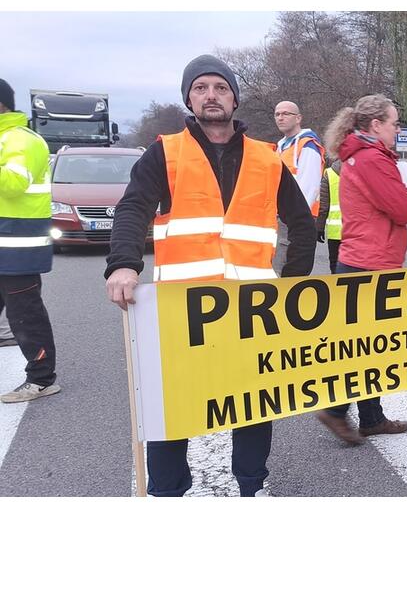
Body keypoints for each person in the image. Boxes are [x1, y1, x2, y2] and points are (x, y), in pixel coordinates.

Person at [104, 55, 316, 496]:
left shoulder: (266, 158)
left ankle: (251, 485)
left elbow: (301, 221)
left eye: (220, 87)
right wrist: (123, 263)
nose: (211, 95)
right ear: (189, 98)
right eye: (200, 88)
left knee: (254, 401)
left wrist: (293, 282)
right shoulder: (165, 151)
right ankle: (166, 490)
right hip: (182, 305)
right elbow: (132, 208)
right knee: (172, 403)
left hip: (250, 307)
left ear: (234, 98)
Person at [315, 94, 407, 445]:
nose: (397, 129)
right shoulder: (373, 159)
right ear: (376, 126)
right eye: (394, 122)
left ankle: (371, 417)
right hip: (371, 263)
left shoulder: (358, 156)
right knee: (364, 347)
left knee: (367, 345)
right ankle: (338, 410)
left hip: (360, 259)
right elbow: (403, 209)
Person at [0, 77, 60, 404]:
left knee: (25, 313)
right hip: (5, 244)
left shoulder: (21, 140)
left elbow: (13, 183)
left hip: (17, 246)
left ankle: (42, 378)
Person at [274, 101, 324, 215]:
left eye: (286, 114)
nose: (280, 118)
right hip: (281, 215)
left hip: (297, 217)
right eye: (277, 114)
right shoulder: (281, 147)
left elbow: (310, 187)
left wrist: (297, 218)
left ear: (298, 118)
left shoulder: (307, 145)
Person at [315, 157, 343, 273]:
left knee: (334, 264)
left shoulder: (329, 173)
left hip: (335, 231)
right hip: (356, 230)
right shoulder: (360, 170)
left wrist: (319, 228)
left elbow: (324, 206)